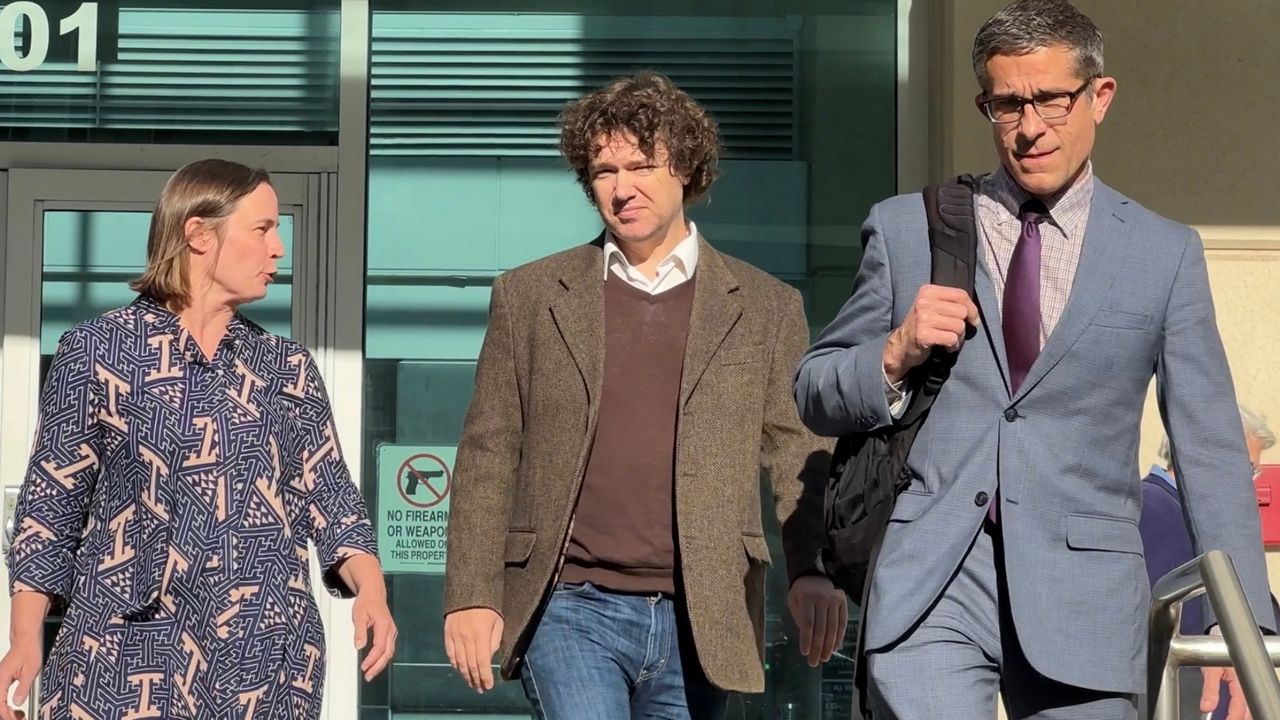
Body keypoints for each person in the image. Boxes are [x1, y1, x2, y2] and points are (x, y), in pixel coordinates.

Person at [792, 1, 1273, 718]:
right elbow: (813, 388)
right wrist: (894, 353)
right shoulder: (906, 229)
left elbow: (1208, 449)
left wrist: (1245, 624)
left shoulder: (1163, 253)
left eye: (1051, 99)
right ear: (985, 106)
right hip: (933, 585)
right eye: (1007, 104)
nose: (1030, 126)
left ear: (1099, 97)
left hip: (1087, 597)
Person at [441, 71, 845, 719]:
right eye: (603, 171)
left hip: (702, 613)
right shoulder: (531, 296)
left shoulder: (766, 307)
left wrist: (812, 568)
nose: (621, 187)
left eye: (640, 166)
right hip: (568, 603)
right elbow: (489, 450)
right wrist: (471, 591)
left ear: (685, 167)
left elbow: (799, 450)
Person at [0, 159, 396, 720]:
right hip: (123, 658)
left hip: (262, 665)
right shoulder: (97, 351)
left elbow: (331, 498)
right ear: (199, 234)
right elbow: (50, 505)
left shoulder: (285, 368)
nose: (278, 248)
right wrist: (24, 639)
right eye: (262, 229)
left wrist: (372, 591)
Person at [1140, 404, 1278, 720]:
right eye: (1247, 467)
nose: (1250, 482)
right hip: (1182, 698)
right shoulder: (1150, 509)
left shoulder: (1210, 523)